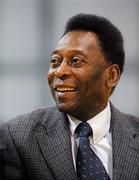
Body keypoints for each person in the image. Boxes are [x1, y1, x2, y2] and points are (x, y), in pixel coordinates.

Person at [0, 13, 139, 180]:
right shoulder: (17, 137)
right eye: (55, 61)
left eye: (75, 61)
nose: (59, 71)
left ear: (111, 75)